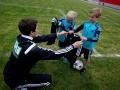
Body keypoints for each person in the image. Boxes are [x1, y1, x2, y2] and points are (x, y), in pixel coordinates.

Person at [3, 17, 82, 90]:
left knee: (32, 60)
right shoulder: (31, 49)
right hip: (15, 80)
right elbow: (55, 54)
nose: (38, 30)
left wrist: (58, 34)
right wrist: (73, 46)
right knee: (48, 80)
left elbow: (42, 38)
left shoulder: (21, 37)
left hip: (9, 71)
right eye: (37, 28)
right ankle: (20, 87)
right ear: (31, 32)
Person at [74, 8, 102, 73]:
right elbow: (78, 28)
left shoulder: (98, 28)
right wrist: (73, 31)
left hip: (88, 47)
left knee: (86, 58)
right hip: (81, 44)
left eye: (92, 17)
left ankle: (83, 68)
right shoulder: (85, 23)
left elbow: (96, 39)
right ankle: (75, 64)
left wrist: (87, 38)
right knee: (77, 55)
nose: (90, 18)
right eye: (89, 16)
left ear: (98, 18)